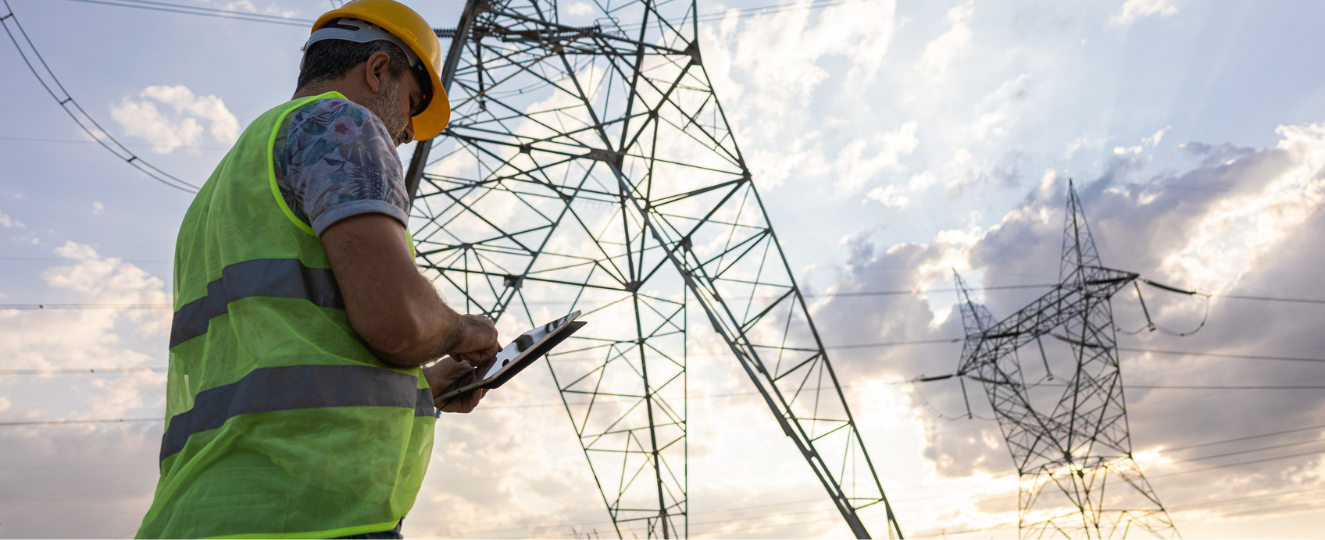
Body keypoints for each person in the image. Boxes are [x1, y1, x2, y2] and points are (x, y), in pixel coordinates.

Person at [135, 1, 499, 537]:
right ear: (378, 71)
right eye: (412, 104)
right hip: (307, 511)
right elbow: (397, 323)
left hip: (205, 510)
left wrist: (421, 387)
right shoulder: (341, 124)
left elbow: (279, 355)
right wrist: (466, 331)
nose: (406, 135)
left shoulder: (227, 183)